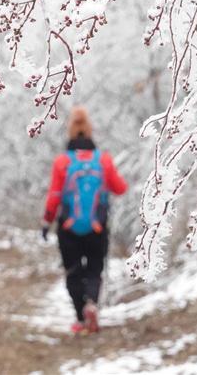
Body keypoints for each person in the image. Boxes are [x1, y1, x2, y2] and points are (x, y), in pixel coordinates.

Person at [41, 106, 127, 334]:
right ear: (91, 131)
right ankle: (92, 304)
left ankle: (80, 317)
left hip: (68, 227)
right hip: (97, 226)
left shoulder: (62, 162)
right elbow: (120, 188)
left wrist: (46, 221)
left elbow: (54, 196)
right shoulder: (103, 160)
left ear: (70, 132)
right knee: (94, 270)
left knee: (73, 272)